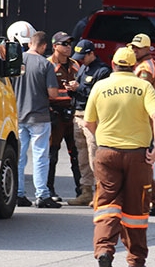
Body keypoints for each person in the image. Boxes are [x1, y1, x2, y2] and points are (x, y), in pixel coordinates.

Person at [83, 46, 155, 267]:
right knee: (136, 209)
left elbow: (88, 122)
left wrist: (102, 140)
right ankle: (136, 260)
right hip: (139, 156)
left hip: (107, 153)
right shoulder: (143, 86)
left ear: (113, 65)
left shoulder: (101, 86)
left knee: (107, 205)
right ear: (133, 65)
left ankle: (104, 251)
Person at [12, 30, 62, 209]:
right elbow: (53, 93)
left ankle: (17, 193)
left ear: (29, 44)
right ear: (44, 46)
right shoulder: (45, 64)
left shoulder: (16, 61)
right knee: (40, 156)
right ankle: (42, 195)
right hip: (39, 115)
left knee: (19, 156)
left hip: (17, 114)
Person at [66, 39, 111, 206]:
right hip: (78, 115)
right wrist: (72, 89)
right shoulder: (83, 68)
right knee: (82, 156)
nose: (80, 60)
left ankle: (100, 192)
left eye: (83, 57)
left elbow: (99, 95)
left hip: (93, 117)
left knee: (94, 154)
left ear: (92, 53)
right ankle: (86, 191)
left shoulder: (103, 71)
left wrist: (80, 88)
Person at [128, 33, 155, 216]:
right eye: (133, 47)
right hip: (148, 115)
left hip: (145, 117)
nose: (134, 50)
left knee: (146, 161)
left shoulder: (145, 69)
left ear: (147, 48)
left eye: (138, 48)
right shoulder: (151, 65)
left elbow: (140, 92)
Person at [46, 31, 82, 203]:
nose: (68, 47)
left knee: (76, 153)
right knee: (51, 154)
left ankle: (81, 190)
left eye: (70, 43)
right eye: (64, 44)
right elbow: (46, 92)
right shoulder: (48, 65)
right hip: (55, 115)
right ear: (55, 46)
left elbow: (83, 87)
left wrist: (77, 88)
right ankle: (49, 189)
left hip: (72, 115)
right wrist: (67, 91)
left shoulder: (75, 65)